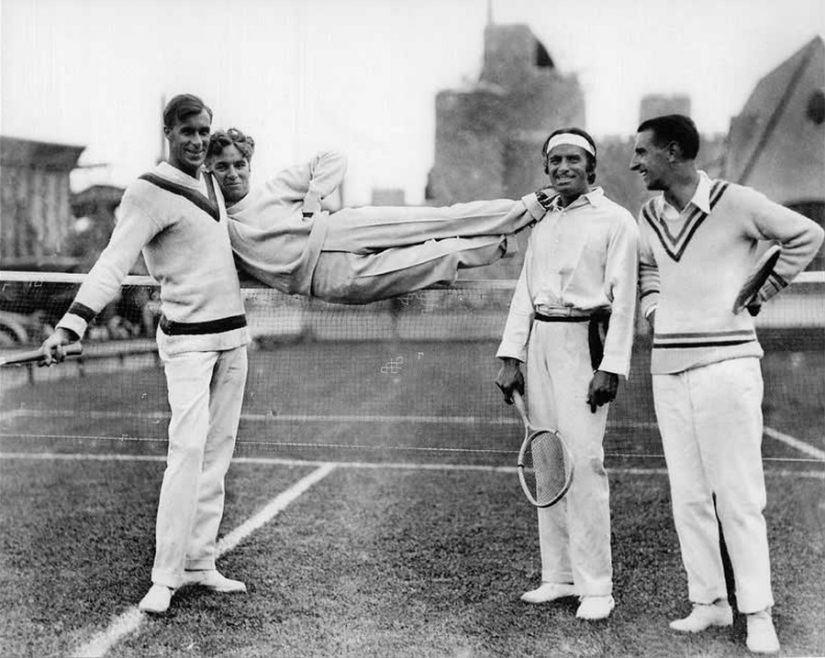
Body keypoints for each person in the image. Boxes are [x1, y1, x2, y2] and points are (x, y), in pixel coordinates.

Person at [41, 94, 251, 615]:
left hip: (233, 339)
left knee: (217, 456)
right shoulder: (146, 191)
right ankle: (165, 576)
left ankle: (200, 562)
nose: (198, 140)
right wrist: (71, 324)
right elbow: (113, 262)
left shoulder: (212, 181)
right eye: (188, 131)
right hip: (187, 343)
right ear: (168, 132)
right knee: (187, 452)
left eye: (204, 131)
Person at [630, 114, 824, 654]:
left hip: (727, 366)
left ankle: (758, 612)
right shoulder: (648, 213)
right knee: (689, 495)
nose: (635, 162)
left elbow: (808, 235)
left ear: (672, 152)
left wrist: (760, 292)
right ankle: (710, 603)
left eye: (642, 152)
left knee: (737, 496)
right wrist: (654, 310)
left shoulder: (736, 201)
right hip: (668, 369)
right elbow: (648, 268)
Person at [495, 128, 639, 621]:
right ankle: (558, 577)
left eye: (573, 159)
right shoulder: (544, 222)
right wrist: (511, 356)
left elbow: (624, 302)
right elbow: (525, 292)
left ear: (591, 167)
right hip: (541, 343)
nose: (563, 168)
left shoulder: (616, 220)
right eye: (554, 161)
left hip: (585, 346)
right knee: (548, 461)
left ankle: (596, 587)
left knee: (584, 461)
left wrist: (610, 367)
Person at [206, 128, 555, 304]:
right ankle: (507, 241)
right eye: (222, 167)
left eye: (239, 164)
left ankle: (526, 208)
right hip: (330, 278)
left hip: (342, 228)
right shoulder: (216, 224)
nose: (233, 173)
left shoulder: (275, 188)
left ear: (249, 165)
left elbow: (332, 158)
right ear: (209, 171)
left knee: (437, 220)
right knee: (437, 258)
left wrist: (314, 195)